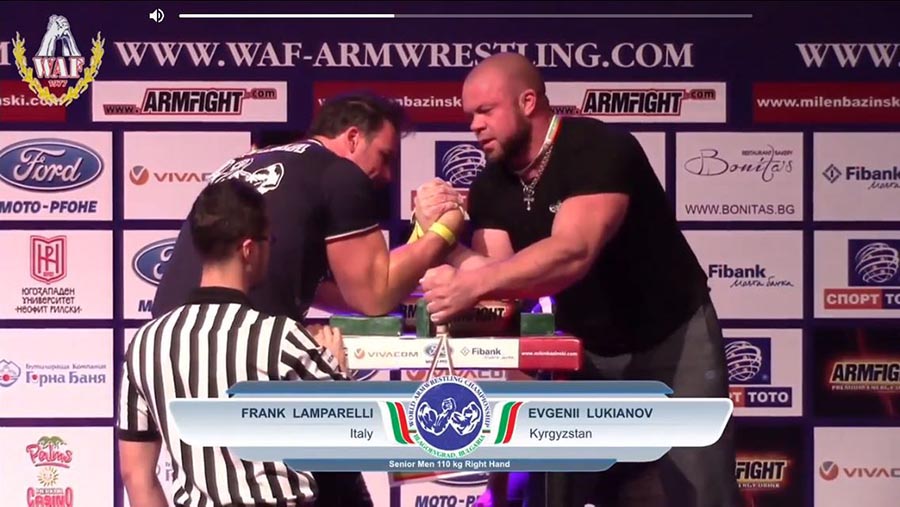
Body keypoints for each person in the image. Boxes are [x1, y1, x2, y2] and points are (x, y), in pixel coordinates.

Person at [415, 53, 743, 507]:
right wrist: (444, 235)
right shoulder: (491, 184)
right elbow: (500, 283)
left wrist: (469, 285)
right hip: (585, 350)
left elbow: (574, 251)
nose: (474, 125)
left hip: (673, 338)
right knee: (596, 492)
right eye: (470, 115)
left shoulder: (599, 148)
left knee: (702, 491)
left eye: (485, 111)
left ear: (528, 101)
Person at [118, 178, 352, 507]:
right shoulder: (282, 338)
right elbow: (353, 440)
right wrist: (337, 369)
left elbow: (135, 475)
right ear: (249, 250)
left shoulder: (146, 345)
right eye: (270, 240)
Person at [152, 91, 464, 322]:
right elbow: (373, 295)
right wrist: (445, 230)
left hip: (163, 345)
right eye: (384, 157)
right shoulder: (339, 173)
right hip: (239, 352)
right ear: (353, 138)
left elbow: (324, 289)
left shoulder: (239, 164)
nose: (387, 175)